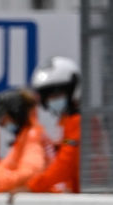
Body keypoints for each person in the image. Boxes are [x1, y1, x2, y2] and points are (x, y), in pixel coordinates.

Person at [28, 56, 81, 194]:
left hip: (95, 195)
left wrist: (32, 186)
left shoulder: (77, 121)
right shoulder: (70, 120)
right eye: (48, 96)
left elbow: (65, 165)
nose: (52, 99)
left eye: (56, 94)